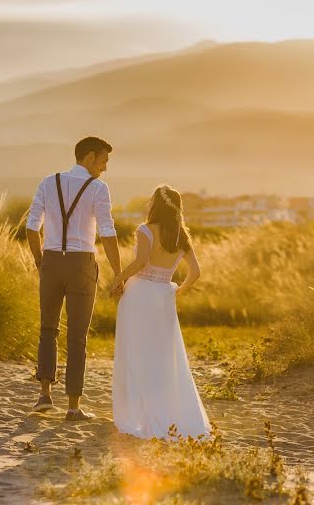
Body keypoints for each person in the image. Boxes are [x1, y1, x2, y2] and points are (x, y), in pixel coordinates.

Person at [25, 136, 123, 421]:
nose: (104, 168)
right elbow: (107, 232)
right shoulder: (98, 189)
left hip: (52, 261)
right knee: (77, 337)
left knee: (48, 328)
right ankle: (73, 407)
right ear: (90, 157)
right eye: (103, 160)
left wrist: (40, 260)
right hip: (82, 263)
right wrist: (118, 273)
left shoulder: (48, 182)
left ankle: (44, 395)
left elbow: (32, 227)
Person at [111, 185, 210, 439]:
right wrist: (178, 291)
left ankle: (139, 416)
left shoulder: (145, 230)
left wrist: (119, 278)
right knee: (163, 357)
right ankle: (167, 413)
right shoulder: (182, 238)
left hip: (139, 295)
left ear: (156, 205)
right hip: (164, 296)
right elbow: (195, 272)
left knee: (134, 353)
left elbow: (141, 261)